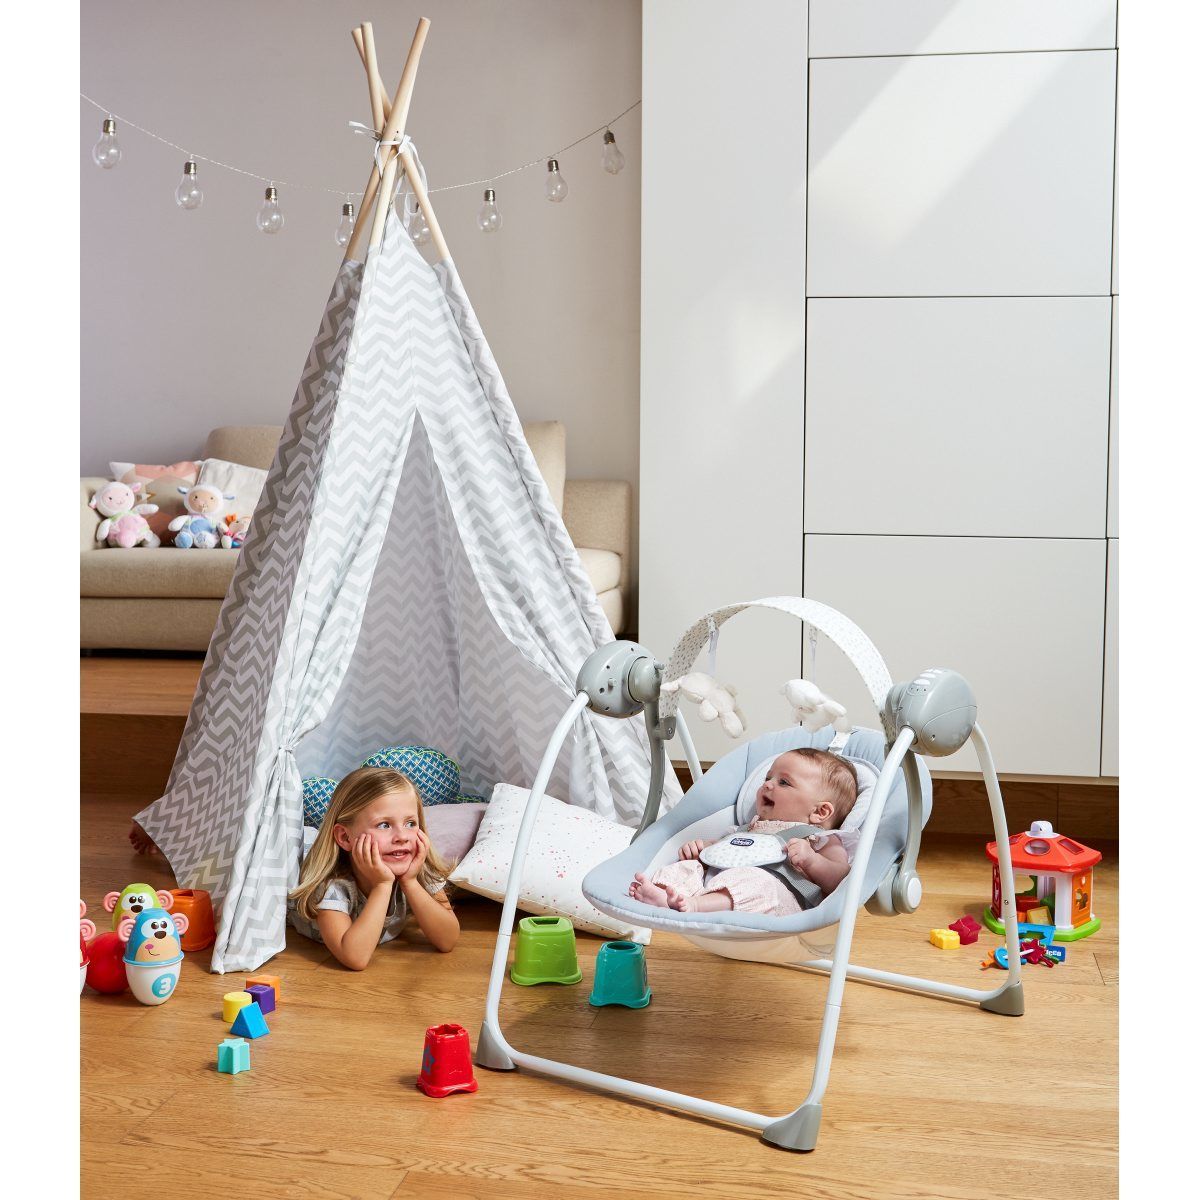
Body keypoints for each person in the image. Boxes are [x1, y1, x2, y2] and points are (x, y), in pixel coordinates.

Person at [629, 747, 858, 916]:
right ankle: (664, 894)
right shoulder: (749, 828)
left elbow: (841, 879)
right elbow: (723, 848)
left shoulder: (819, 839)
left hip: (778, 899)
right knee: (689, 867)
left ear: (820, 812)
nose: (767, 784)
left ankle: (696, 905)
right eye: (768, 778)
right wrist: (702, 849)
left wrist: (812, 861)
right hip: (718, 882)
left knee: (759, 882)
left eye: (784, 783)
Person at [289, 766, 459, 968]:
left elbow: (448, 940)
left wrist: (410, 882)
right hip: (298, 852)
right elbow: (354, 957)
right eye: (384, 825)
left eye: (410, 823)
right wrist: (383, 885)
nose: (402, 837)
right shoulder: (330, 885)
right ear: (345, 837)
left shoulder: (416, 868)